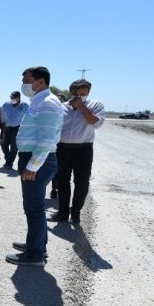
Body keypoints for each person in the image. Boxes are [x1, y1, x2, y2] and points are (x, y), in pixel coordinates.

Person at [6, 66, 63, 266]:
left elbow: (47, 140)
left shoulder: (47, 103)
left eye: (27, 79)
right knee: (34, 207)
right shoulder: (39, 101)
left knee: (34, 208)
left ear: (40, 81)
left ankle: (35, 254)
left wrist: (32, 166)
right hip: (33, 159)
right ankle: (37, 244)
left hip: (37, 161)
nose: (24, 84)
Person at [50, 80, 105, 225]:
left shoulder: (96, 105)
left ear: (88, 93)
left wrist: (81, 107)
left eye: (82, 94)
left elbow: (96, 123)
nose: (78, 96)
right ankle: (62, 213)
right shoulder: (62, 107)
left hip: (83, 149)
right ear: (70, 92)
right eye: (75, 93)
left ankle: (75, 213)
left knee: (81, 183)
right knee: (62, 181)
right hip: (62, 148)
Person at [1, 91, 29, 169]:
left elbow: (28, 118)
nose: (12, 99)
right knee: (3, 145)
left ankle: (9, 163)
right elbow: (1, 116)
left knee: (14, 147)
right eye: (11, 97)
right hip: (6, 128)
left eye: (14, 97)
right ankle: (8, 158)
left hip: (17, 129)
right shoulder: (6, 105)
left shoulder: (25, 105)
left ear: (19, 98)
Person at [49, 93, 68, 199]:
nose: (59, 101)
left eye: (61, 100)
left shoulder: (67, 112)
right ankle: (54, 189)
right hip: (54, 143)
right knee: (55, 168)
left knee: (62, 169)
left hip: (64, 144)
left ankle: (59, 189)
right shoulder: (52, 111)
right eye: (57, 99)